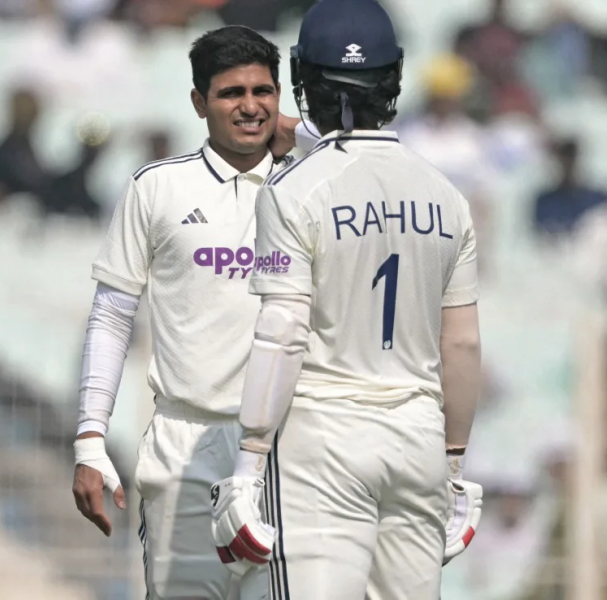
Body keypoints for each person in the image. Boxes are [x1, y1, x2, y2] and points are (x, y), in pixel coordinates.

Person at [209, 1, 485, 598]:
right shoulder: (446, 196)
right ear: (394, 77)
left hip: (323, 441)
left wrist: (248, 464)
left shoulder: (293, 191)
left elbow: (283, 332)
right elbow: (461, 344)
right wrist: (454, 467)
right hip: (417, 440)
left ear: (304, 79)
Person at [70, 25, 312, 600]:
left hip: (292, 448)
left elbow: (380, 165)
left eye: (263, 91)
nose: (250, 107)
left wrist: (304, 135)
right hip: (186, 446)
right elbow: (112, 316)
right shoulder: (157, 187)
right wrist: (90, 439)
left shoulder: (313, 184)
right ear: (199, 103)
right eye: (231, 93)